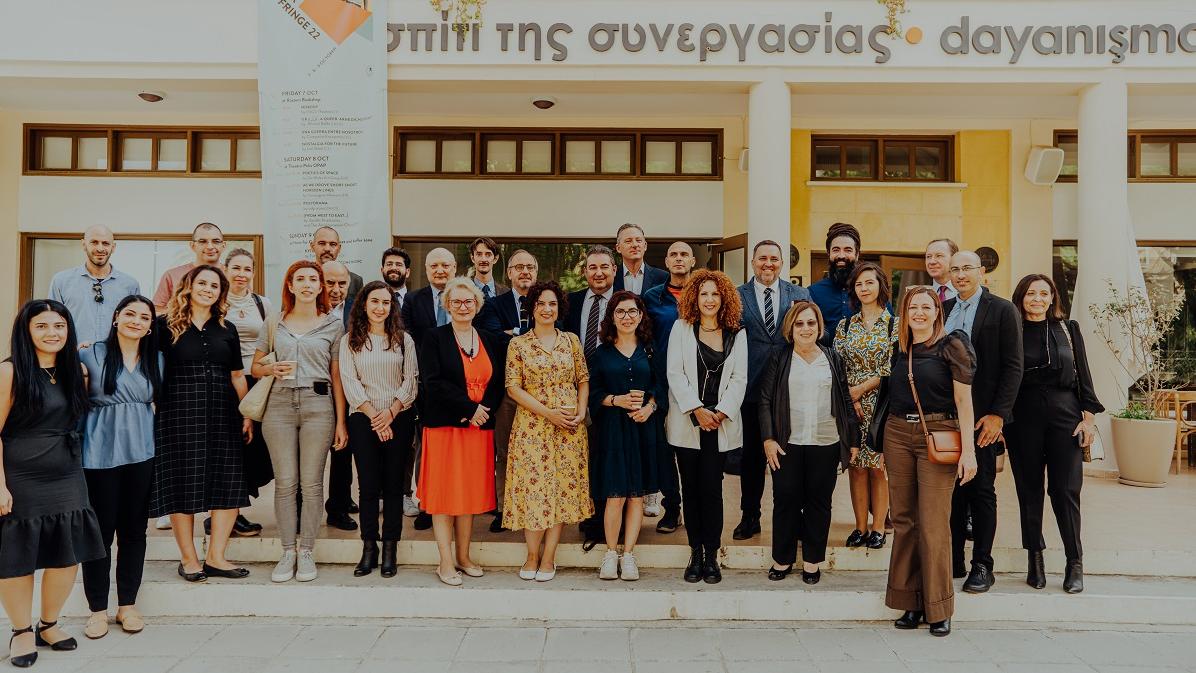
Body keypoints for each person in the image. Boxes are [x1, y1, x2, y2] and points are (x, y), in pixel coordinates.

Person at [0, 300, 104, 666]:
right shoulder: (9, 372)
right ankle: (21, 630)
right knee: (19, 556)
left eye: (59, 326)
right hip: (20, 474)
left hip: (67, 472)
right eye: (42, 326)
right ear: (26, 331)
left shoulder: (75, 370)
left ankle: (48, 624)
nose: (52, 333)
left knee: (66, 553)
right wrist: (0, 485)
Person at [872, 286, 978, 637]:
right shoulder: (900, 348)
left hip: (938, 434)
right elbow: (891, 397)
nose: (919, 312)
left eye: (926, 307)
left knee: (933, 523)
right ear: (904, 313)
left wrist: (969, 452)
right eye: (912, 307)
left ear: (936, 312)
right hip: (897, 435)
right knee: (904, 520)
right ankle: (910, 601)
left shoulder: (952, 346)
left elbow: (964, 402)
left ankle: (939, 607)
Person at [150, 264, 253, 583]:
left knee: (228, 481)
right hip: (178, 412)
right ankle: (189, 559)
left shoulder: (227, 328)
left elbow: (237, 375)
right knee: (183, 484)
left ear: (221, 293)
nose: (208, 289)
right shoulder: (164, 325)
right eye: (203, 283)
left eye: (214, 286)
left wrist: (247, 413)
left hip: (224, 411)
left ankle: (216, 558)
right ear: (189, 286)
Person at [253, 261, 348, 583]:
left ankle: (306, 550)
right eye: (300, 279)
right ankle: (287, 551)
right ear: (290, 286)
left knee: (311, 483)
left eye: (313, 279)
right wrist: (271, 369)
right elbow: (255, 367)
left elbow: (337, 376)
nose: (307, 284)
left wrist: (341, 421)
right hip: (278, 405)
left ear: (321, 286)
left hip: (318, 404)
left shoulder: (333, 325)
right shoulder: (274, 322)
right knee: (285, 482)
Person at [1007, 274, 1103, 594]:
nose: (1037, 299)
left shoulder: (1068, 329)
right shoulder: (1011, 331)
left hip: (1066, 417)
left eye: (1043, 293)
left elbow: (1085, 378)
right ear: (1020, 298)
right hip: (1022, 419)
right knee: (1029, 490)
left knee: (1065, 490)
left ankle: (1074, 562)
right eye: (1031, 293)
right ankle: (1034, 558)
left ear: (1052, 298)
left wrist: (1088, 420)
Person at [758, 301, 858, 585]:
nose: (805, 328)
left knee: (819, 501)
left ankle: (812, 561)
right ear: (790, 328)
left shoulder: (832, 357)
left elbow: (845, 400)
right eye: (799, 323)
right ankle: (783, 558)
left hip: (826, 441)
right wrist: (768, 439)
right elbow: (764, 400)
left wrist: (852, 440)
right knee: (785, 499)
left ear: (819, 327)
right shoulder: (780, 357)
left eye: (811, 323)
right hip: (787, 442)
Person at [79, 295, 160, 639]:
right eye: (130, 314)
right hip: (98, 453)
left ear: (150, 326)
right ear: (116, 317)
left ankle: (127, 605)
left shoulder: (156, 359)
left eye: (144, 317)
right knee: (100, 533)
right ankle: (97, 610)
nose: (136, 321)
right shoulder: (89, 354)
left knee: (134, 531)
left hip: (141, 452)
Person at [943, 250, 1023, 593]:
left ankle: (982, 565)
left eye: (967, 268)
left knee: (981, 491)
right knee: (952, 493)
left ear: (981, 272)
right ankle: (953, 559)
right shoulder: (943, 309)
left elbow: (1014, 365)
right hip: (946, 417)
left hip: (983, 418)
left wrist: (998, 415)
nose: (960, 274)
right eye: (955, 269)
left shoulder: (1002, 310)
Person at [418, 279, 506, 585]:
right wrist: (469, 409)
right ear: (447, 305)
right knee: (444, 496)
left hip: (478, 429)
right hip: (446, 427)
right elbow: (433, 381)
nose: (463, 306)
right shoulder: (434, 337)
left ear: (477, 305)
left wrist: (484, 411)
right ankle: (445, 562)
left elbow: (498, 382)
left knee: (467, 495)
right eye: (456, 302)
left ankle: (464, 557)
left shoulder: (490, 339)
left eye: (468, 301)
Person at [504, 281, 592, 582]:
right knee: (535, 491)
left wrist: (580, 411)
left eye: (552, 303)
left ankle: (549, 556)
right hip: (533, 428)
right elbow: (513, 387)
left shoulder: (571, 341)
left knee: (561, 491)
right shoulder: (518, 345)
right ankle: (531, 555)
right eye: (541, 303)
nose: (546, 309)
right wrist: (548, 413)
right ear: (532, 307)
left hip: (569, 429)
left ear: (559, 308)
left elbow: (583, 379)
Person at [666, 270, 748, 584]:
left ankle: (712, 555)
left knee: (712, 491)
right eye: (704, 294)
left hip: (719, 423)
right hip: (689, 421)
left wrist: (721, 412)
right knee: (691, 490)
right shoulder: (681, 328)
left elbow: (740, 378)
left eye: (715, 294)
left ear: (724, 298)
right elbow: (675, 374)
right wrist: (697, 410)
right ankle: (695, 552)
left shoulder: (736, 333)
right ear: (694, 298)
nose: (710, 299)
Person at [340, 281, 418, 578]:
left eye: (386, 302)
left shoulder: (404, 340)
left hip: (398, 417)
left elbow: (410, 380)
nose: (380, 307)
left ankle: (390, 549)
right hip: (363, 417)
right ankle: (369, 547)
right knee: (369, 486)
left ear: (392, 307)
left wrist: (391, 413)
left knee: (394, 485)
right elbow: (350, 382)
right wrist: (376, 417)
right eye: (375, 301)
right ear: (364, 304)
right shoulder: (350, 341)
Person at [734, 240, 810, 541]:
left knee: (789, 460)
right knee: (752, 459)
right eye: (762, 258)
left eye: (774, 259)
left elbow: (816, 331)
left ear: (782, 263)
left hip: (789, 389)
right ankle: (750, 516)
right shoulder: (737, 296)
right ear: (753, 262)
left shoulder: (799, 295)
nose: (768, 264)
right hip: (751, 389)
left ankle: (793, 518)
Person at [588, 291, 665, 581]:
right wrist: (614, 400)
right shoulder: (602, 354)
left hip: (643, 429)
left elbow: (660, 386)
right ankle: (611, 553)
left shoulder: (650, 350)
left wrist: (649, 407)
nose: (627, 317)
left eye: (632, 311)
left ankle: (629, 554)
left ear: (641, 315)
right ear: (612, 317)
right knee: (615, 495)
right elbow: (592, 393)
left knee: (636, 495)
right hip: (613, 432)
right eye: (620, 312)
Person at [474, 249, 539, 533]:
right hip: (506, 391)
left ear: (535, 272)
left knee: (536, 451)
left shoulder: (545, 302)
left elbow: (555, 333)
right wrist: (531, 336)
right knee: (504, 451)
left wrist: (512, 334)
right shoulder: (493, 305)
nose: (525, 271)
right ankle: (503, 509)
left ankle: (532, 506)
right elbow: (492, 339)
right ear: (509, 272)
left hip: (540, 394)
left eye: (530, 267)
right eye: (519, 267)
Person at [833, 262, 895, 550]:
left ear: (881, 286)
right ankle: (859, 527)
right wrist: (851, 397)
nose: (864, 288)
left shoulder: (894, 325)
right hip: (850, 406)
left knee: (878, 467)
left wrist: (860, 390)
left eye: (869, 282)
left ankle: (878, 527)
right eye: (859, 284)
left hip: (881, 405)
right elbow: (837, 365)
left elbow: (892, 367)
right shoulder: (845, 325)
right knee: (856, 465)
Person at [400, 246, 458, 531]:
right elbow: (407, 338)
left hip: (461, 387)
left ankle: (456, 501)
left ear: (454, 268)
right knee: (427, 449)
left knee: (457, 450)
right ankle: (426, 503)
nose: (440, 270)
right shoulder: (413, 300)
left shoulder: (465, 298)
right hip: (427, 386)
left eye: (445, 265)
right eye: (434, 265)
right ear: (426, 270)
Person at [641, 241, 697, 531]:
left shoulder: (704, 293)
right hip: (661, 383)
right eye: (673, 254)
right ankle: (672, 507)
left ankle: (696, 507)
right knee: (664, 451)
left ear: (692, 261)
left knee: (692, 451)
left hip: (697, 383)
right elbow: (643, 337)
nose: (678, 259)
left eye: (684, 254)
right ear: (666, 262)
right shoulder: (652, 297)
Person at [564, 245, 616, 548]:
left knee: (607, 456)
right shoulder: (570, 302)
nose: (598, 273)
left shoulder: (625, 303)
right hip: (574, 392)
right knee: (582, 458)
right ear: (585, 272)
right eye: (592, 267)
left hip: (612, 393)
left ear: (614, 270)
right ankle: (589, 515)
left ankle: (607, 519)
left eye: (604, 267)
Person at [220, 248, 270, 537]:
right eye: (236, 268)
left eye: (247, 269)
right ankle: (225, 514)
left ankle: (234, 510)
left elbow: (272, 340)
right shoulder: (216, 300)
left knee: (250, 449)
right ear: (226, 270)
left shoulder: (262, 304)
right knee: (228, 448)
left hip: (256, 382)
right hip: (225, 380)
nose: (241, 274)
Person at [47, 225, 141, 347]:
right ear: (84, 245)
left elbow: (135, 325)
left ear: (113, 247)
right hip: (74, 354)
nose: (100, 248)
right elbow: (52, 321)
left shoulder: (130, 285)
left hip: (115, 355)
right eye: (94, 242)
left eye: (105, 243)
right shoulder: (61, 281)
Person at [322, 259, 359, 533]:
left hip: (346, 389)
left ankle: (339, 504)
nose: (336, 289)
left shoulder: (356, 311)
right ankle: (301, 508)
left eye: (342, 283)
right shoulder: (305, 309)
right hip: (314, 389)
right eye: (330, 283)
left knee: (343, 450)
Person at [152, 222, 226, 311]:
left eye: (216, 241)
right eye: (202, 241)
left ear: (223, 245)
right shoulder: (172, 275)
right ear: (192, 246)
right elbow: (157, 310)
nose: (210, 246)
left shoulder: (233, 275)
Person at [808, 222, 862, 344]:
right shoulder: (812, 293)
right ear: (829, 254)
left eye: (848, 250)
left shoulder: (870, 291)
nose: (841, 255)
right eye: (836, 250)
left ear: (857, 254)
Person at [612, 223, 668, 294]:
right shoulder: (612, 276)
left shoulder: (663, 277)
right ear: (618, 248)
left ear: (645, 246)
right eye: (628, 241)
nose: (635, 245)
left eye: (638, 240)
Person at [310, 226, 363, 302]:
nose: (327, 249)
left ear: (339, 248)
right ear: (312, 247)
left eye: (333, 244)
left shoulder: (355, 281)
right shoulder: (302, 278)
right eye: (322, 243)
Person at [925, 238, 959, 303]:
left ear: (954, 259)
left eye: (939, 256)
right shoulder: (920, 294)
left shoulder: (968, 292)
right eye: (928, 256)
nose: (932, 262)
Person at [381, 247, 412, 312]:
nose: (393, 268)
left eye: (399, 265)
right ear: (382, 270)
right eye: (389, 264)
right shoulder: (373, 301)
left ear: (407, 272)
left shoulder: (418, 301)